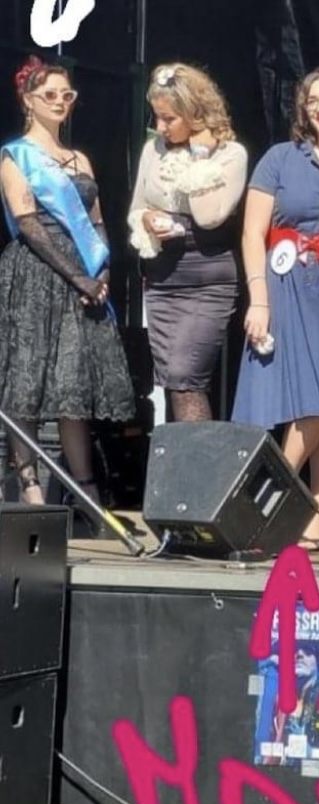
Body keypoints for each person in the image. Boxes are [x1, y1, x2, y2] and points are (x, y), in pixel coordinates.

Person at [231, 66, 319, 552]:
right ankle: (267, 499)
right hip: (284, 281)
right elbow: (252, 232)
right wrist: (259, 298)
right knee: (311, 403)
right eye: (313, 99)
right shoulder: (278, 158)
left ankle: (314, 511)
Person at [0, 56, 134, 506]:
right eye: (50, 95)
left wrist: (102, 271)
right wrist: (77, 276)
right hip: (37, 274)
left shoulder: (81, 159)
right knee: (27, 377)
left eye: (67, 95)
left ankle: (84, 489)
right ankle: (31, 487)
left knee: (71, 382)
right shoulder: (15, 155)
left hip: (83, 277)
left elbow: (96, 222)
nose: (60, 102)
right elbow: (27, 223)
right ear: (28, 101)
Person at [127, 62, 248, 422]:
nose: (160, 127)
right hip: (163, 280)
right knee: (173, 380)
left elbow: (209, 216)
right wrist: (148, 219)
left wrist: (199, 156)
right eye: (156, 117)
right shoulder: (153, 149)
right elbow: (137, 207)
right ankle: (182, 455)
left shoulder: (231, 154)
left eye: (169, 119)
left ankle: (201, 458)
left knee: (185, 374)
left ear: (195, 113)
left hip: (206, 280)